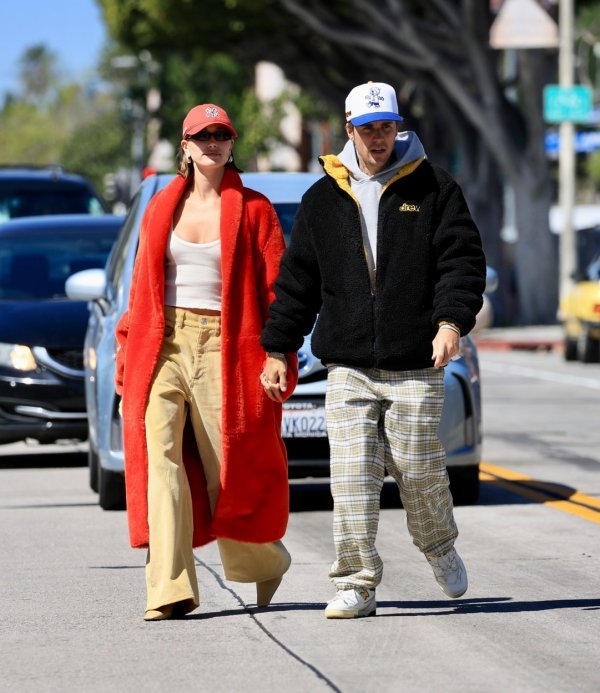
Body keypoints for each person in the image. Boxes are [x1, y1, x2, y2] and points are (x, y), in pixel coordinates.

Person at [260, 82, 486, 619]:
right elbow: (297, 284)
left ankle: (438, 546)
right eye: (368, 128)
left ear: (397, 126)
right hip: (348, 365)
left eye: (386, 127)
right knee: (353, 476)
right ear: (349, 128)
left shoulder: (435, 188)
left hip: (415, 361)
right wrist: (277, 349)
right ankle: (356, 582)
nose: (379, 138)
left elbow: (462, 261)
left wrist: (451, 322)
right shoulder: (322, 199)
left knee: (417, 468)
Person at [115, 103, 298, 621]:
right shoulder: (161, 210)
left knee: (227, 464)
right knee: (161, 461)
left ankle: (264, 560)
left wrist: (277, 351)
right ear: (185, 145)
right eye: (202, 135)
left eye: (221, 134)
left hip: (226, 343)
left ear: (231, 142)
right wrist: (128, 356)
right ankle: (168, 590)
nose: (212, 142)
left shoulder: (256, 210)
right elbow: (140, 292)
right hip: (164, 344)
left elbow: (278, 291)